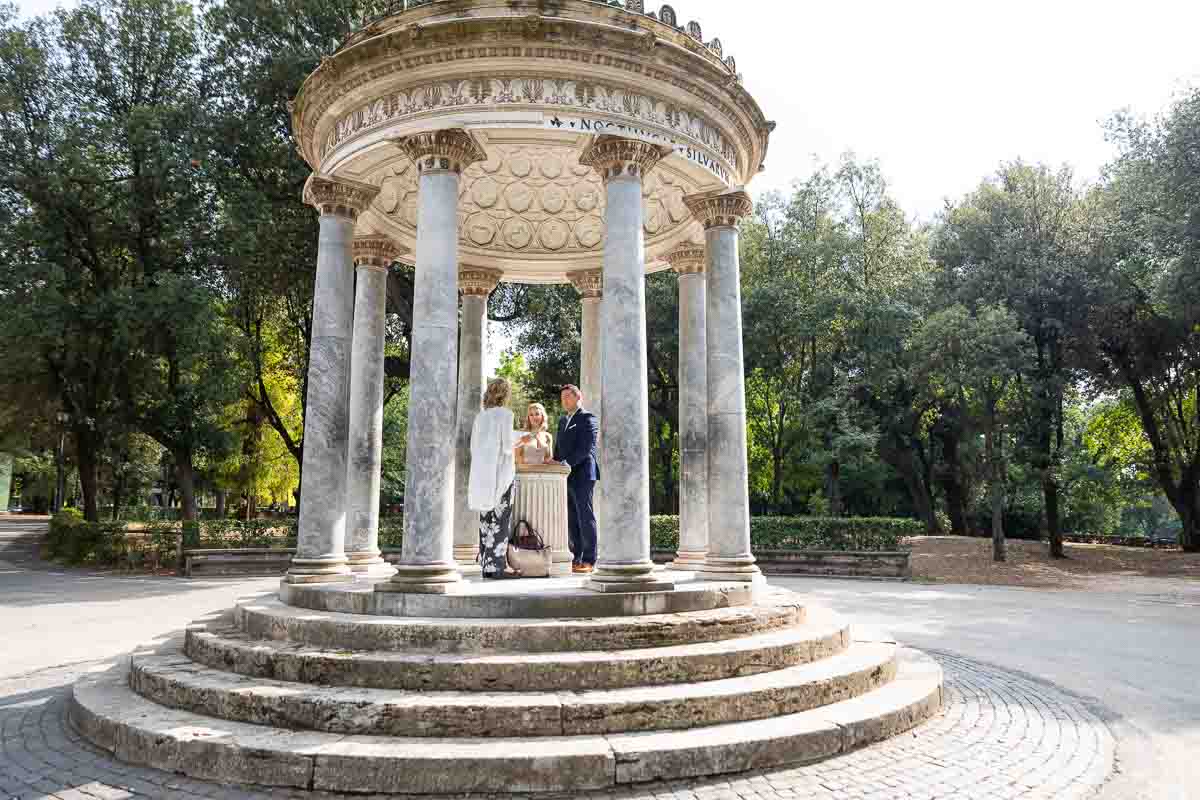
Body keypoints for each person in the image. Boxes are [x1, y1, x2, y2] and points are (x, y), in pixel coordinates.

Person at [468, 377, 521, 579]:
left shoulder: (480, 418)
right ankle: (497, 567)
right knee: (500, 519)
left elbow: (473, 447)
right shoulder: (506, 415)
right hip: (502, 473)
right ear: (505, 394)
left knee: (486, 520)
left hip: (481, 474)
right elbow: (508, 446)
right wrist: (521, 438)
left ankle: (486, 565)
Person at [552, 384, 599, 573]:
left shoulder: (588, 418)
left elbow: (586, 449)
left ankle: (589, 560)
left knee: (585, 516)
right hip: (565, 476)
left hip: (583, 475)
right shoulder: (563, 421)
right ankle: (577, 557)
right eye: (562, 398)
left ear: (578, 396)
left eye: (567, 397)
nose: (564, 401)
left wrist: (565, 463)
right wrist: (554, 462)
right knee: (572, 518)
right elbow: (559, 447)